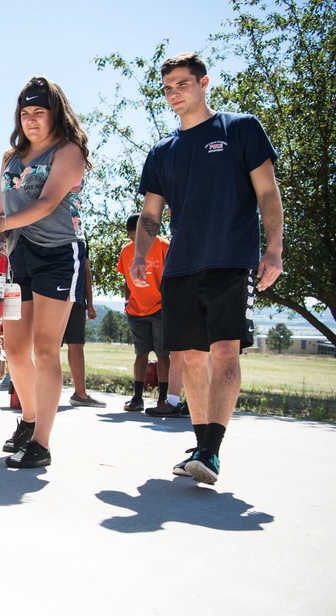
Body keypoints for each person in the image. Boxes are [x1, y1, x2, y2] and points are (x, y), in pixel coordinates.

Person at [132, 52, 283, 484]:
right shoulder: (162, 152)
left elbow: (268, 193)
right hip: (181, 267)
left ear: (204, 83)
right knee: (192, 358)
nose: (174, 94)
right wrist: (142, 254)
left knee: (223, 352)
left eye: (182, 84)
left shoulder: (240, 129)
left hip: (231, 261)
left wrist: (274, 248)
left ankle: (212, 452)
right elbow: (150, 214)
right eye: (167, 88)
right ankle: (201, 447)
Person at [0, 76, 92, 468]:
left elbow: (46, 204)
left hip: (58, 256)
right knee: (13, 349)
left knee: (45, 349)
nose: (30, 120)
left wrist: (2, 225)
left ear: (54, 114)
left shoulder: (68, 152)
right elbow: (2, 209)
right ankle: (28, 421)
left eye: (38, 112)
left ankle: (42, 444)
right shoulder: (9, 158)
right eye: (25, 113)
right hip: (16, 260)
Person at [117, 213, 171, 412]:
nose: (134, 242)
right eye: (131, 238)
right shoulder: (126, 251)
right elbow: (126, 279)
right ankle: (137, 397)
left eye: (137, 237)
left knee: (162, 354)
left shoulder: (164, 246)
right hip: (136, 309)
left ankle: (163, 398)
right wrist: (127, 301)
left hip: (159, 308)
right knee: (141, 353)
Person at [65, 244, 105, 407]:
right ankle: (40, 394)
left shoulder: (80, 232)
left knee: (76, 344)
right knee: (49, 346)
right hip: (54, 294)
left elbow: (86, 268)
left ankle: (80, 394)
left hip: (77, 296)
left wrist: (90, 303)